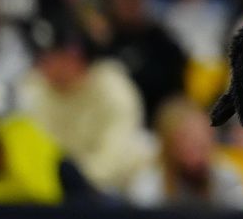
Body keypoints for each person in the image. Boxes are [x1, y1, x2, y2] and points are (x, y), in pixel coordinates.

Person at [19, 26, 153, 195]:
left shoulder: (111, 87)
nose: (43, 63)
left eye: (52, 56)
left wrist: (74, 183)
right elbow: (29, 151)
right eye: (42, 56)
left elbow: (113, 156)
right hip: (53, 192)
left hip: (114, 191)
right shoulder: (34, 89)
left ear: (73, 56)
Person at [128, 97, 243, 210]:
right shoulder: (148, 188)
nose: (198, 155)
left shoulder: (226, 178)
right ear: (169, 147)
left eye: (202, 144)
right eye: (189, 144)